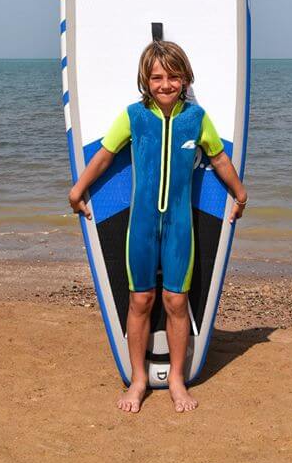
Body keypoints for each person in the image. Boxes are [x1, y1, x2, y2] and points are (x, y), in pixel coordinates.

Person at [68, 40, 248, 414]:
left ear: (185, 79)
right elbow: (104, 156)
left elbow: (219, 159)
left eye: (173, 76)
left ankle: (177, 380)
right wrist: (78, 189)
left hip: (180, 227)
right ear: (145, 81)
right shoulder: (134, 117)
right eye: (157, 77)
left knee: (176, 302)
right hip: (142, 226)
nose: (165, 84)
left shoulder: (196, 119)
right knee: (140, 301)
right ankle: (138, 379)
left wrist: (240, 194)